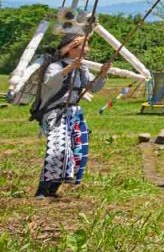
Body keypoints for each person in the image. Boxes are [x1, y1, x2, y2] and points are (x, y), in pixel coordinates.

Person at [19, 34, 112, 197]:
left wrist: (102, 74)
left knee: (78, 151)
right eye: (81, 46)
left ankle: (53, 189)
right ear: (70, 49)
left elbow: (93, 87)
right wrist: (70, 67)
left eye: (87, 45)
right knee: (59, 150)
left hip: (75, 113)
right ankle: (42, 190)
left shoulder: (83, 68)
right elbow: (51, 81)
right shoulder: (55, 65)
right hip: (55, 113)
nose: (86, 49)